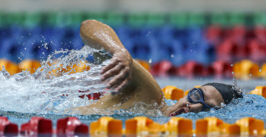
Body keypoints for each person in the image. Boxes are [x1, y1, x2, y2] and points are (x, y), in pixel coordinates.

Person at [75, 19, 243, 116]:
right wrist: (119, 50)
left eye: (208, 109)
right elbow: (88, 27)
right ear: (188, 92)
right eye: (196, 95)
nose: (193, 106)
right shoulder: (150, 97)